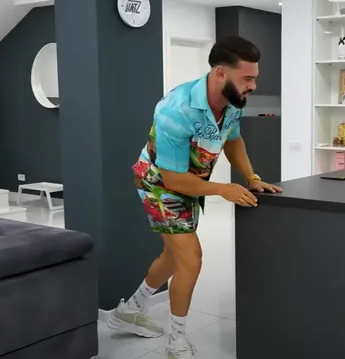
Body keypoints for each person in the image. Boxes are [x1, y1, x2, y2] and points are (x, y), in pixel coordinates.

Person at [107, 36, 282, 359]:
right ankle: (176, 344)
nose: (253, 85)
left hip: (190, 182)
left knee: (174, 255)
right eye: (247, 78)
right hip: (158, 182)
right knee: (191, 258)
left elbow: (233, 141)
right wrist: (223, 189)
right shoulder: (175, 110)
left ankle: (131, 309)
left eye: (254, 77)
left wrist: (251, 177)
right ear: (220, 72)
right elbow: (173, 178)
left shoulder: (233, 101)